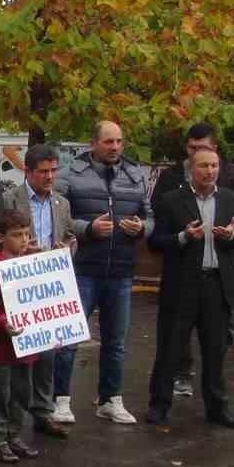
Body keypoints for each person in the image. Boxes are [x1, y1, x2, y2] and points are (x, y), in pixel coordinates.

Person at [145, 145, 234, 427]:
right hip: (182, 285)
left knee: (215, 350)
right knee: (170, 347)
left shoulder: (232, 200)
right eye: (203, 166)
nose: (210, 171)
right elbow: (155, 242)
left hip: (217, 284)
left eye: (214, 166)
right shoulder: (171, 200)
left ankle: (217, 407)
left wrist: (232, 236)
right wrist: (182, 236)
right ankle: (160, 403)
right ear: (191, 169)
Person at [54, 120, 150, 426]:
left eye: (120, 141)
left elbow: (151, 217)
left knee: (116, 341)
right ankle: (60, 400)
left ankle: (111, 400)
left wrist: (142, 228)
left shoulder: (135, 175)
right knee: (69, 339)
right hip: (82, 269)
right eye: (109, 142)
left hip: (121, 270)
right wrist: (88, 229)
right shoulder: (71, 175)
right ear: (93, 143)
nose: (115, 148)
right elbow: (59, 215)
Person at [0, 144, 75, 439]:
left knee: (48, 353)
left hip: (48, 286)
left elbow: (69, 236)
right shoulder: (9, 198)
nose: (50, 176)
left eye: (54, 170)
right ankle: (11, 418)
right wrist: (18, 253)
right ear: (27, 171)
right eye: (43, 171)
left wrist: (67, 249)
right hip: (18, 285)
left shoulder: (61, 204)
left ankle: (43, 412)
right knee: (18, 355)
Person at [0, 208, 42, 463]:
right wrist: (2, 323)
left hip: (27, 344)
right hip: (2, 346)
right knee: (0, 393)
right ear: (1, 237)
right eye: (17, 235)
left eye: (26, 234)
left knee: (23, 392)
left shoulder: (29, 264)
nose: (24, 240)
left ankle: (13, 434)